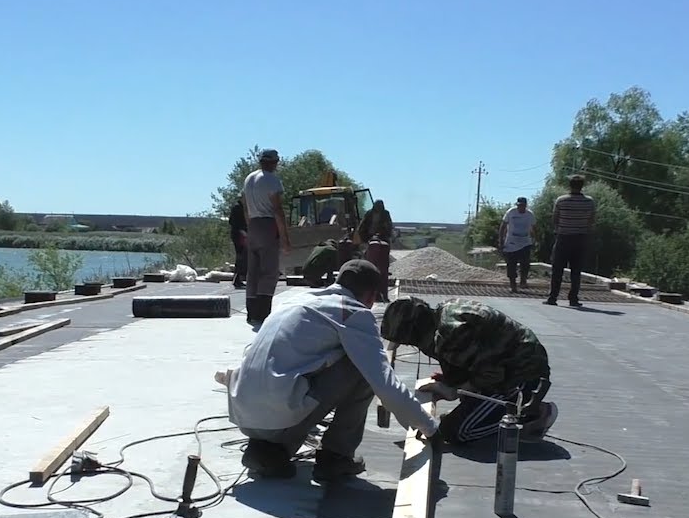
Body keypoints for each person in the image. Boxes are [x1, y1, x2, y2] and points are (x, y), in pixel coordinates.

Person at [226, 260, 441, 482]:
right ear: (370, 296)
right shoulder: (352, 311)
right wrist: (429, 427)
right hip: (278, 418)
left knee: (311, 367)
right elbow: (384, 383)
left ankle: (267, 450)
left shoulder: (296, 301)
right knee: (362, 368)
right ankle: (335, 456)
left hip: (244, 415)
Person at [379, 296, 558, 445]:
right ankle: (491, 409)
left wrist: (455, 390)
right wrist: (452, 381)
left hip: (524, 377)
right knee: (455, 385)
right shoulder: (445, 312)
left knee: (455, 431)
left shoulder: (449, 336)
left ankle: (532, 412)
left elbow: (493, 374)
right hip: (511, 367)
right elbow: (477, 359)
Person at [242, 148, 292, 323]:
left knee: (253, 270)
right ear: (274, 162)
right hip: (268, 224)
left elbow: (245, 206)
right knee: (269, 271)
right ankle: (263, 312)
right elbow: (277, 210)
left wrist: (250, 227)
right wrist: (285, 238)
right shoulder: (272, 180)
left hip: (253, 224)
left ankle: (251, 311)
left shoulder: (249, 179)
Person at [546, 174, 597, 307]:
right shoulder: (589, 202)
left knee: (557, 269)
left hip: (563, 237)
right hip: (580, 238)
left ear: (569, 185)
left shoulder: (561, 201)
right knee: (576, 270)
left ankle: (553, 297)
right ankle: (573, 298)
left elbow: (555, 219)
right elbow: (591, 221)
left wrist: (560, 229)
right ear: (582, 186)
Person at [499, 197, 536, 292]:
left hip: (525, 242)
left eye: (523, 205)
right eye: (519, 205)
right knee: (511, 265)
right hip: (511, 242)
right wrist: (501, 241)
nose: (521, 207)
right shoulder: (511, 212)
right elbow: (503, 226)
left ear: (526, 205)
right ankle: (513, 284)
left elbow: (534, 228)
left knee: (525, 264)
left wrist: (535, 239)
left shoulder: (530, 214)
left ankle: (523, 280)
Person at [228, 196, 247, 289]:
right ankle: (236, 279)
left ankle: (238, 278)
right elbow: (234, 222)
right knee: (240, 257)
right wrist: (243, 232)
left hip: (241, 234)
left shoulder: (242, 208)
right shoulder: (237, 208)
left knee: (242, 257)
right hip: (238, 235)